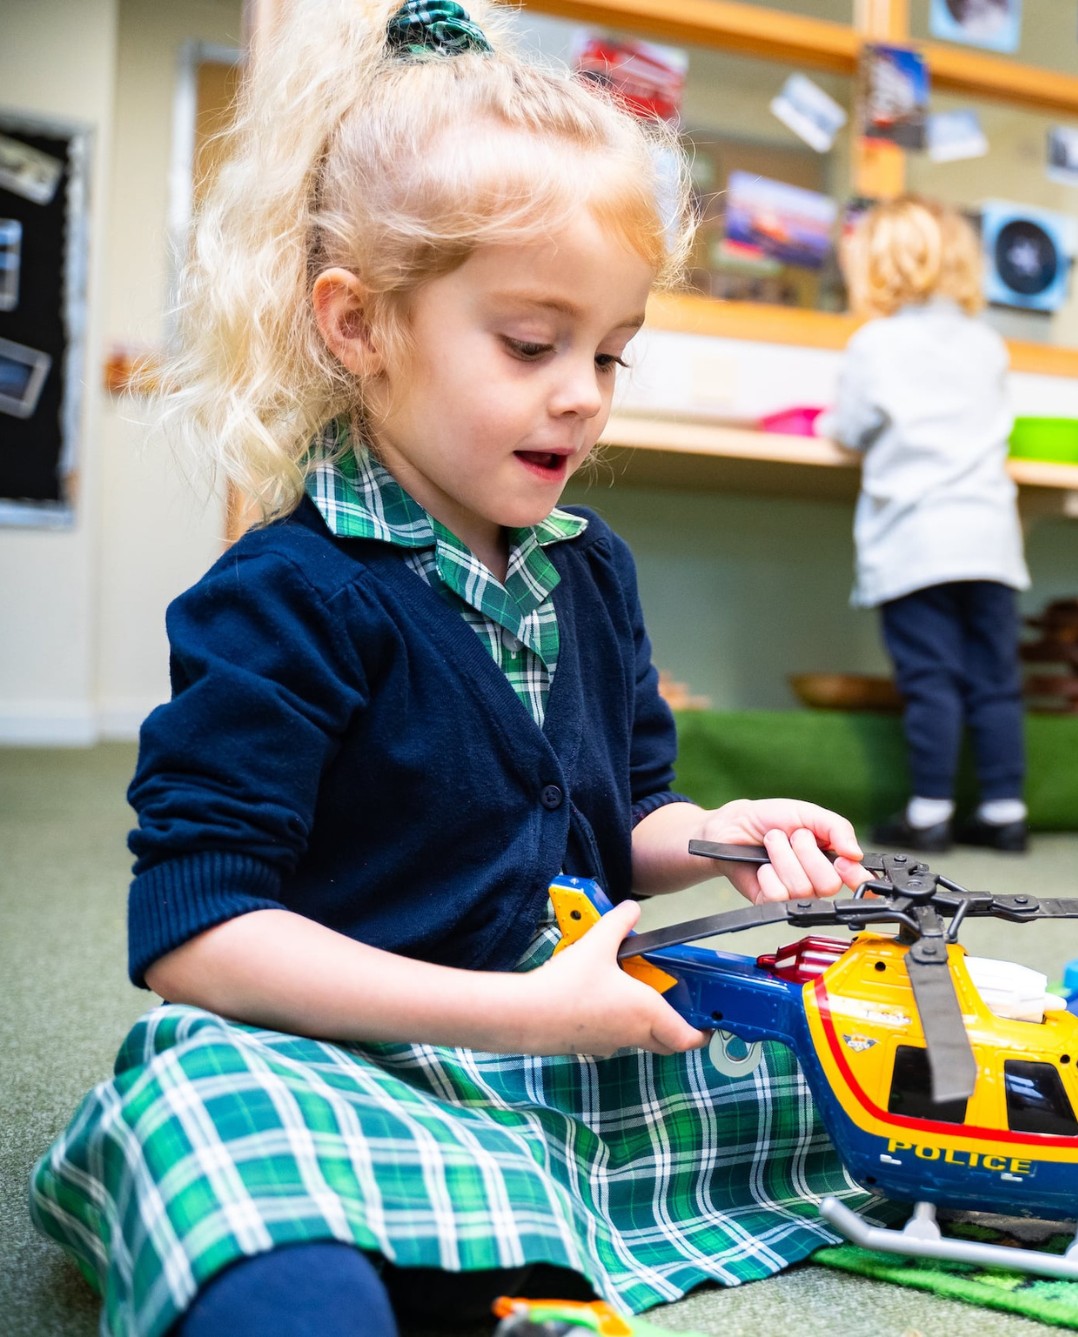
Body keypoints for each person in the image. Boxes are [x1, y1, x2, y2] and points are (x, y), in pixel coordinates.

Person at [31, 4, 890, 1333]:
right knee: (194, 1116)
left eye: (609, 352)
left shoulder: (592, 567)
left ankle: (488, 1250)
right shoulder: (280, 597)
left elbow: (622, 820)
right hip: (355, 1057)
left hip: (572, 1043)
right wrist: (517, 1015)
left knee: (860, 1055)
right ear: (359, 325)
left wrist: (711, 834)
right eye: (532, 346)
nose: (584, 395)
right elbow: (196, 939)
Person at [824, 195, 1030, 853]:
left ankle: (930, 810)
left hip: (918, 542)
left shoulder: (876, 344)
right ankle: (1005, 810)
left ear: (879, 265)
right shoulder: (986, 343)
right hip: (991, 541)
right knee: (996, 678)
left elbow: (851, 427)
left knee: (931, 678)